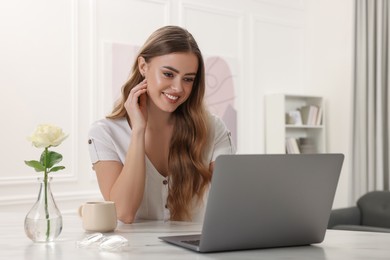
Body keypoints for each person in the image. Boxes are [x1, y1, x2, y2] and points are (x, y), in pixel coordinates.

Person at [88, 25, 235, 224]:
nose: (178, 88)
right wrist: (138, 131)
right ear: (143, 66)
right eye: (168, 74)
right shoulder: (104, 133)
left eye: (188, 79)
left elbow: (231, 201)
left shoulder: (213, 128)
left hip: (196, 253)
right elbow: (124, 212)